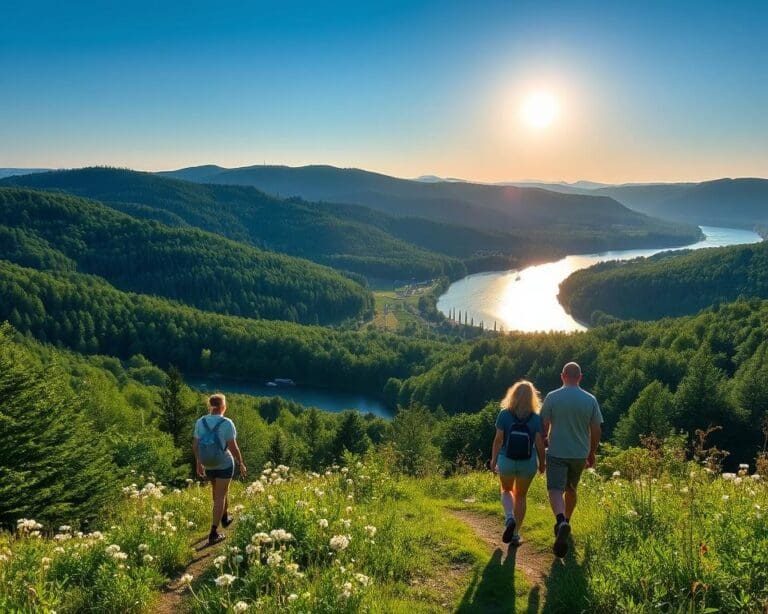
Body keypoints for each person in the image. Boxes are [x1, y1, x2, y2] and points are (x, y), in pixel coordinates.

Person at [540, 362, 602, 558]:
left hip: (557, 451)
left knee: (555, 489)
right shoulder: (590, 399)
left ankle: (560, 522)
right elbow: (596, 429)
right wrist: (592, 452)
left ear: (562, 376)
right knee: (571, 489)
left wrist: (542, 444)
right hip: (579, 454)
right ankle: (567, 520)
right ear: (580, 377)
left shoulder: (552, 397)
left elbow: (543, 425)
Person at [491, 380, 546, 546]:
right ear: (532, 398)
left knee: (506, 490)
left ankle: (509, 517)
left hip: (506, 460)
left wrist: (493, 459)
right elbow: (540, 443)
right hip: (527, 463)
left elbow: (498, 440)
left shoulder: (504, 414)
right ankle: (515, 534)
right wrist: (542, 463)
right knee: (521, 496)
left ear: (513, 395)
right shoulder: (536, 418)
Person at [192, 393, 247, 545]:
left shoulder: (201, 422)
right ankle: (214, 532)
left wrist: (199, 463)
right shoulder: (227, 423)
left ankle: (225, 517)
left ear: (209, 406)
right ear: (223, 407)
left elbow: (195, 445)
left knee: (218, 492)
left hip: (208, 463)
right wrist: (241, 463)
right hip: (224, 463)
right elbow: (233, 447)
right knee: (220, 495)